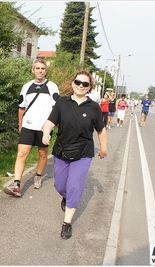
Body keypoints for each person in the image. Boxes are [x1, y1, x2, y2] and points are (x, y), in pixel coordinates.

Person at [41, 70, 107, 239]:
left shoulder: (93, 107)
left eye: (85, 84)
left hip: (83, 152)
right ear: (73, 83)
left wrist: (103, 148)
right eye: (78, 82)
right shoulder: (62, 102)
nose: (80, 86)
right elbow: (50, 121)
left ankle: (67, 223)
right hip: (62, 150)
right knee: (60, 185)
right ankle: (65, 196)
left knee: (75, 186)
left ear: (89, 87)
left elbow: (101, 130)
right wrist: (46, 132)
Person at [4, 59, 59, 197]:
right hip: (28, 125)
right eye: (37, 68)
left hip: (44, 128)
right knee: (22, 154)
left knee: (42, 153)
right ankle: (16, 184)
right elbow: (21, 108)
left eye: (43, 68)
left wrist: (51, 124)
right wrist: (20, 124)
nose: (40, 71)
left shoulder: (52, 87)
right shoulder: (26, 86)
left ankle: (38, 175)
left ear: (46, 71)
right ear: (33, 70)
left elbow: (57, 107)